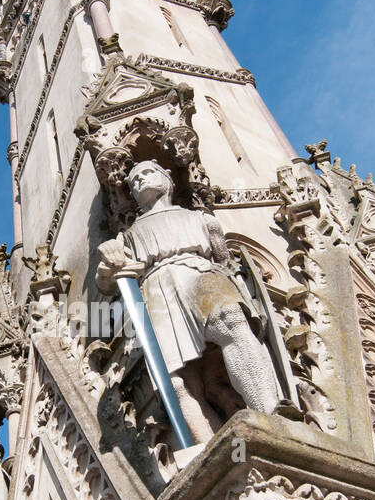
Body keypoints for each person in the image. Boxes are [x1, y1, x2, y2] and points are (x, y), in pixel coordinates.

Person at [96, 159, 291, 443]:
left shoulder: (201, 219)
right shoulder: (127, 237)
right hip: (155, 289)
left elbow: (225, 261)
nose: (140, 180)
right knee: (177, 381)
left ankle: (273, 412)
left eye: (149, 172)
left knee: (233, 323)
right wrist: (107, 262)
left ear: (168, 181)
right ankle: (211, 448)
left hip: (199, 271)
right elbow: (105, 286)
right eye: (134, 179)